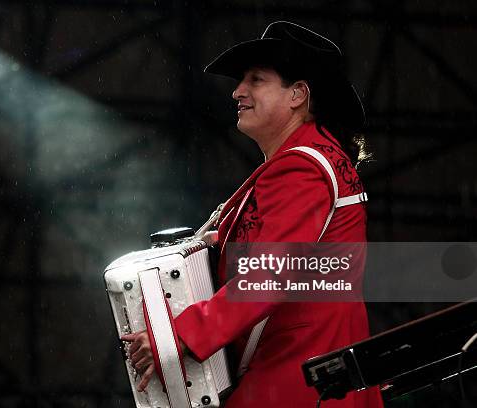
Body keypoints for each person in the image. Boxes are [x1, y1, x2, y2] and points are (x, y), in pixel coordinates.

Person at [122, 21, 384, 407]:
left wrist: (176, 336)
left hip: (295, 378)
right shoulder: (320, 157)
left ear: (298, 94)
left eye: (255, 80)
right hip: (315, 374)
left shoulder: (302, 167)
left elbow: (270, 273)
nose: (237, 91)